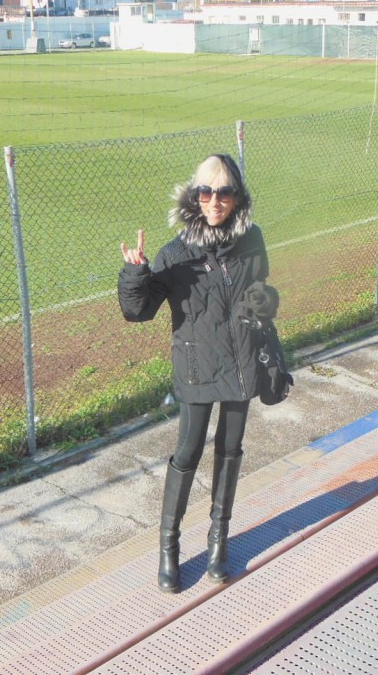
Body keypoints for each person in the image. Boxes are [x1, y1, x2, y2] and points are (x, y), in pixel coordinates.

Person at [118, 153, 279, 593]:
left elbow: (260, 290)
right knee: (187, 453)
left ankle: (217, 543)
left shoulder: (252, 240)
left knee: (230, 450)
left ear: (236, 196)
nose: (215, 201)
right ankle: (168, 548)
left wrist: (266, 306)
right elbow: (139, 311)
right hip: (197, 367)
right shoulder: (175, 254)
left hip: (242, 363)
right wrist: (135, 274)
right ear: (194, 197)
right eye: (206, 191)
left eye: (225, 192)